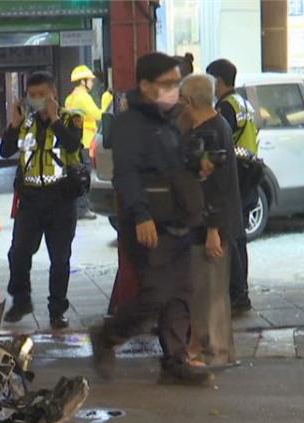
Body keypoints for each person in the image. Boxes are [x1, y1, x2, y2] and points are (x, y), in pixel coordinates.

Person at [91, 52, 211, 385]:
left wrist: (196, 163)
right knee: (156, 293)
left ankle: (174, 361)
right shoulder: (131, 125)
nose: (175, 89)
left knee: (180, 293)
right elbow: (126, 174)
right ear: (145, 86)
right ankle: (108, 335)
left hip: (177, 222)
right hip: (148, 224)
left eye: (177, 83)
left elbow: (174, 165)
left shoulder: (170, 120)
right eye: (168, 83)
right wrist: (141, 216)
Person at [0, 71, 84, 329]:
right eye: (32, 95)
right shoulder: (25, 123)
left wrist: (55, 119)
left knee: (60, 259)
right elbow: (4, 151)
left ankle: (57, 310)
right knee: (18, 254)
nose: (37, 100)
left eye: (42, 95)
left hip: (61, 200)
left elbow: (72, 146)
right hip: (30, 201)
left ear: (54, 94)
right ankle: (21, 300)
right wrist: (13, 124)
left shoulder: (72, 119)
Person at [179, 74, 245, 367]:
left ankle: (213, 353)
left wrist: (212, 231)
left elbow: (214, 186)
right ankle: (200, 348)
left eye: (182, 100)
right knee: (204, 292)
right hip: (208, 223)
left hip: (210, 225)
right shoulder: (215, 127)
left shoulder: (210, 134)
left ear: (190, 101)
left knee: (210, 294)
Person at [206, 58, 260, 315]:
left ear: (218, 81)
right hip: (250, 172)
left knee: (231, 236)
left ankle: (238, 294)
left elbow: (219, 140)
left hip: (235, 174)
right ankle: (242, 291)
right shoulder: (244, 103)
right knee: (240, 237)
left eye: (210, 81)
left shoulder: (225, 107)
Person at [64, 65, 100, 221]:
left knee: (77, 174)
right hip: (85, 141)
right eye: (90, 80)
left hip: (76, 141)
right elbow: (97, 114)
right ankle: (83, 208)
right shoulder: (83, 97)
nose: (92, 82)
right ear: (83, 81)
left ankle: (80, 207)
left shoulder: (70, 98)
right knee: (85, 176)